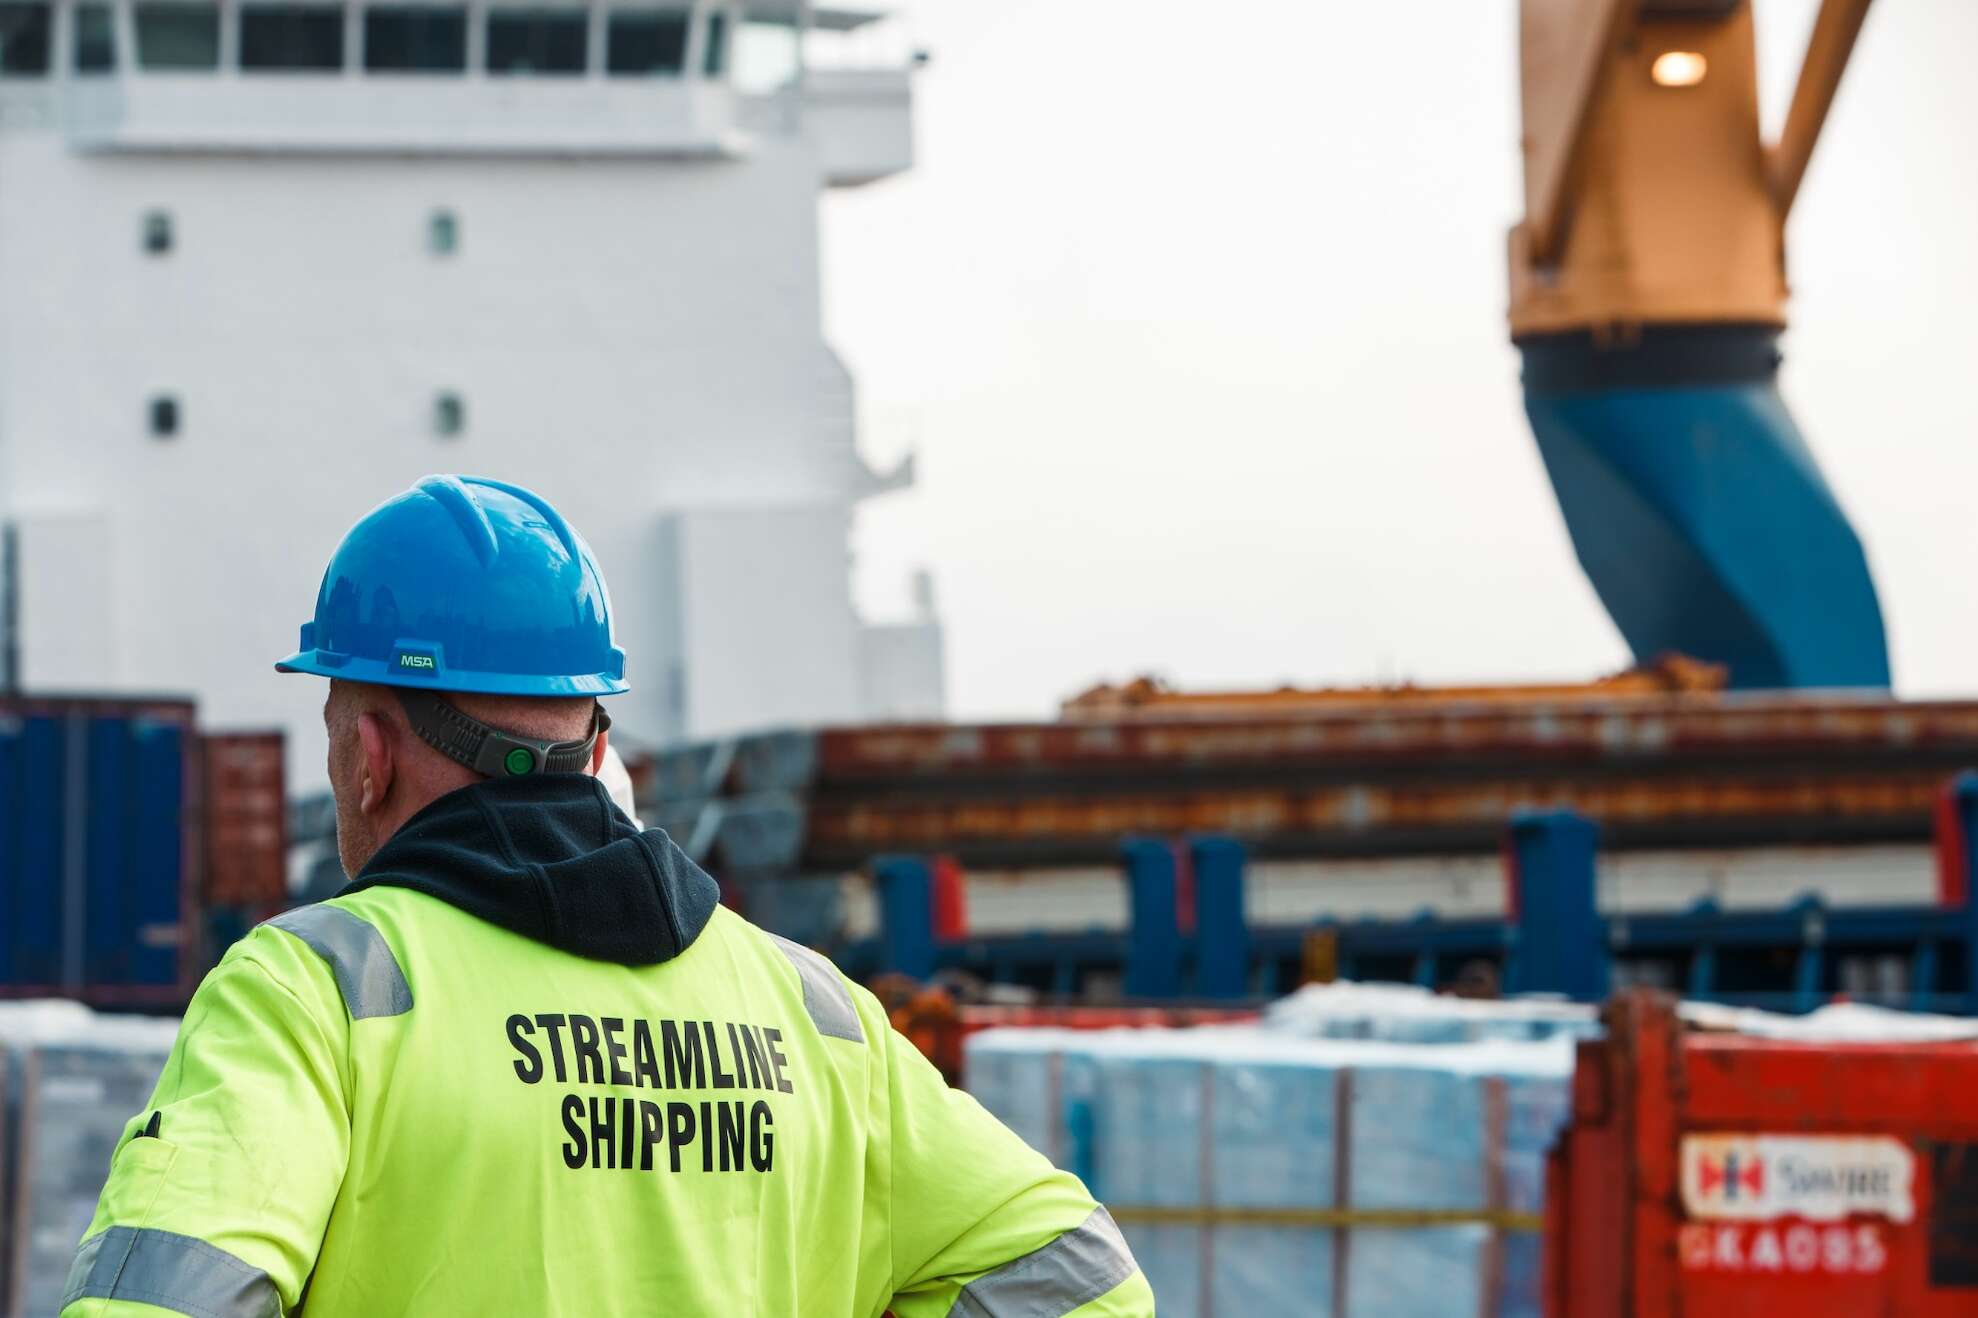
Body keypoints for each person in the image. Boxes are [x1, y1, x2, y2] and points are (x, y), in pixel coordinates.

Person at [62, 475, 1149, 1317]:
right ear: (596, 742)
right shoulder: (812, 1011)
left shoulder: (315, 994)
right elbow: (1082, 1281)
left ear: (370, 757)